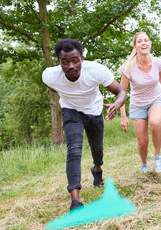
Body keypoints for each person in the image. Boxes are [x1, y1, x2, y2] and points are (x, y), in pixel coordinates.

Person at [42, 39, 127, 210]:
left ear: (81, 58)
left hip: (94, 110)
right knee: (74, 148)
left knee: (97, 148)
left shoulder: (96, 71)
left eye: (75, 60)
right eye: (65, 62)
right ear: (59, 62)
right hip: (71, 111)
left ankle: (97, 170)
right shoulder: (50, 75)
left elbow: (120, 92)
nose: (71, 66)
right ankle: (75, 201)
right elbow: (53, 88)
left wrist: (116, 105)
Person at [118, 32, 161, 173]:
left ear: (150, 44)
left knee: (155, 122)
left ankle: (157, 156)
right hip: (137, 105)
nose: (143, 43)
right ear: (135, 46)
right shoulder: (128, 68)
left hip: (156, 99)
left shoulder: (158, 63)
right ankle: (144, 162)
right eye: (140, 41)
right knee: (143, 142)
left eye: (146, 40)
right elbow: (121, 93)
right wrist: (123, 116)